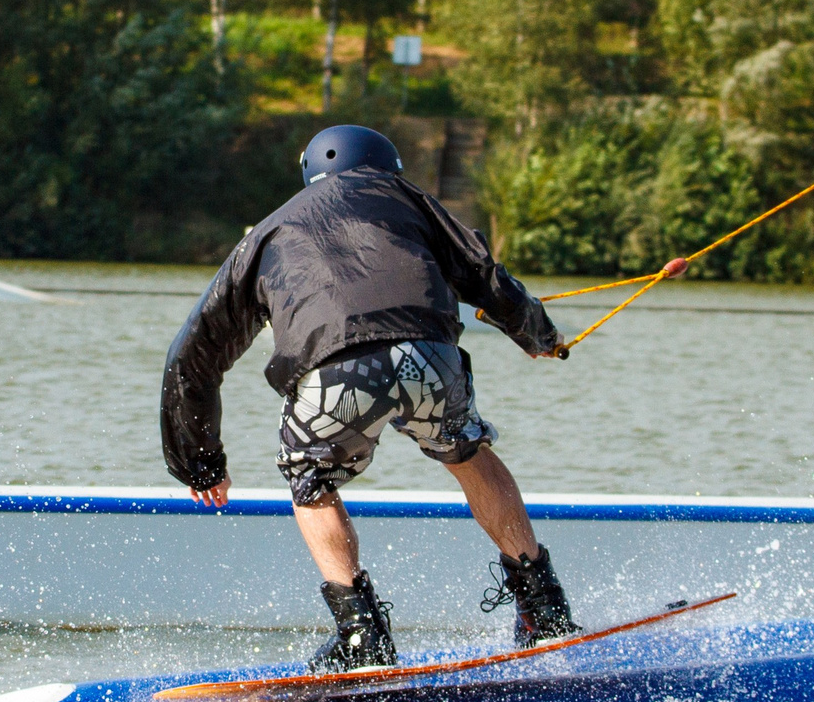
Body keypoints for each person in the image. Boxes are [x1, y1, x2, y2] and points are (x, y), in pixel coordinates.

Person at [161, 124, 575, 672]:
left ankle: (362, 635)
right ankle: (542, 606)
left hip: (335, 373)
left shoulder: (265, 233)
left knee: (312, 480)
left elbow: (191, 356)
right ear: (386, 166)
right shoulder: (407, 199)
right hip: (429, 359)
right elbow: (482, 273)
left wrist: (200, 462)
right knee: (468, 453)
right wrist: (538, 336)